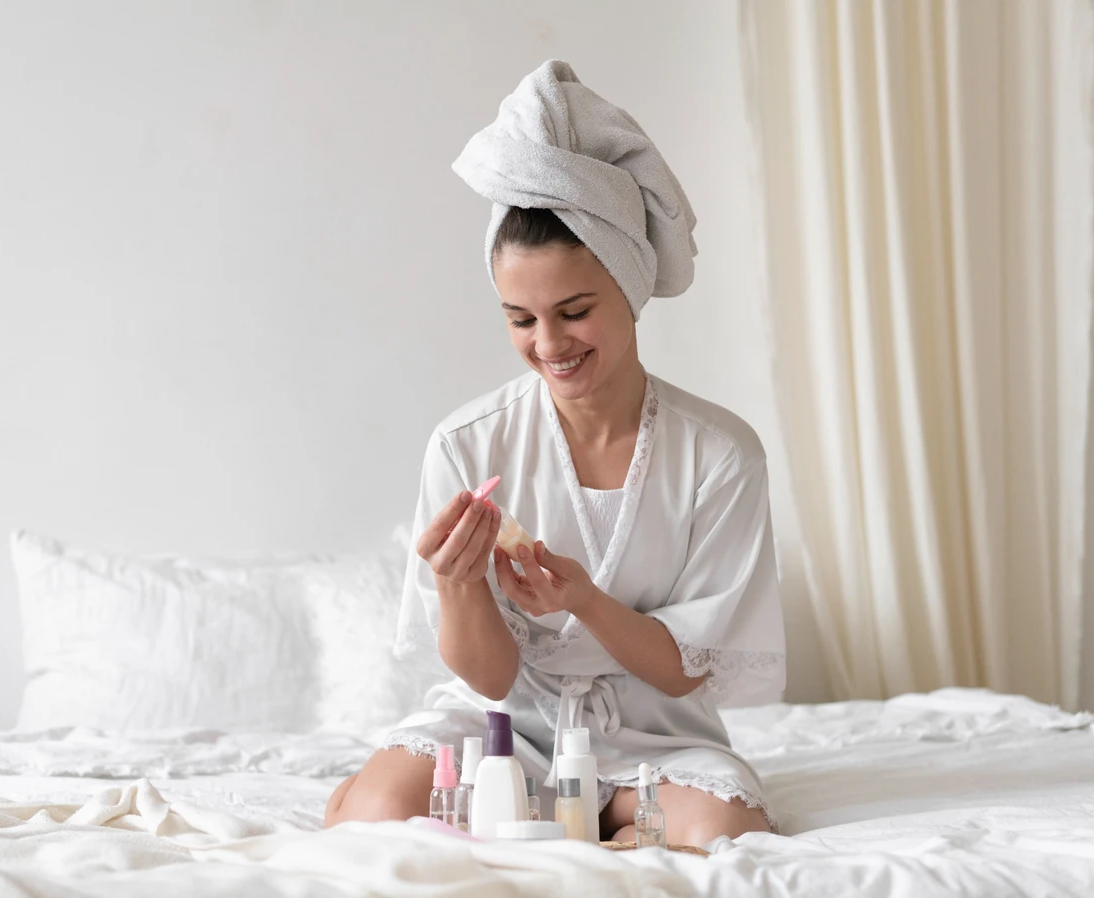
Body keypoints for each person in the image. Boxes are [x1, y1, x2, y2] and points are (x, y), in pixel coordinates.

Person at [324, 60, 786, 848]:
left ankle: (595, 820)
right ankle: (573, 823)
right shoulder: (468, 444)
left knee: (720, 831)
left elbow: (684, 672)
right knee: (377, 816)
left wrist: (584, 601)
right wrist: (458, 582)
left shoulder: (719, 454)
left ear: (630, 289)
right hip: (509, 729)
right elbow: (491, 679)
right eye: (520, 319)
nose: (548, 345)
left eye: (573, 312)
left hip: (656, 730)